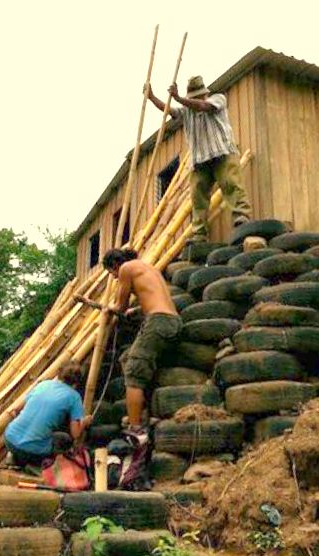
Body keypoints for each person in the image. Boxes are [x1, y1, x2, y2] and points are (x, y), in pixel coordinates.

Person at [147, 75, 252, 242]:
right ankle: (199, 233)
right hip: (200, 160)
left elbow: (203, 107)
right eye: (194, 97)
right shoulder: (186, 111)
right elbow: (169, 110)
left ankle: (242, 216)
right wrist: (152, 97)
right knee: (198, 197)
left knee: (231, 184)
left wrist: (179, 98)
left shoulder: (217, 99)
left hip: (222, 152)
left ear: (204, 94)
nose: (197, 99)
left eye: (198, 96)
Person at [102, 248, 182, 434]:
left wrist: (109, 309)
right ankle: (143, 410)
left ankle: (135, 427)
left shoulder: (126, 268)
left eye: (111, 273)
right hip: (173, 322)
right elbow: (153, 299)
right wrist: (134, 312)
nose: (114, 277)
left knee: (133, 373)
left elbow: (120, 306)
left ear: (115, 265)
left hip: (157, 322)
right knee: (127, 358)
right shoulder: (148, 268)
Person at [4, 361, 92, 467]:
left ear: (59, 374)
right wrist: (85, 421)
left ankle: (13, 456)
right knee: (64, 439)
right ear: (77, 382)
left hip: (9, 439)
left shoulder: (43, 384)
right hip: (32, 451)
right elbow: (75, 433)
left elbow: (16, 410)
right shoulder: (74, 397)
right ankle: (38, 464)